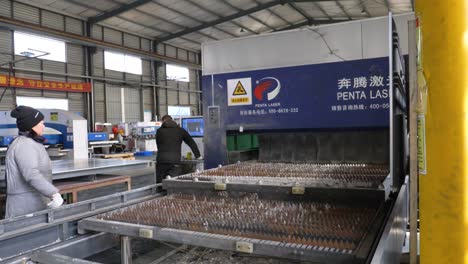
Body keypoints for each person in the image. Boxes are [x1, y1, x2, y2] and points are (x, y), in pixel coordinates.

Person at [4, 106, 63, 218]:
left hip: (33, 201)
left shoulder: (32, 142)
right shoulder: (25, 144)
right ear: (32, 125)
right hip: (24, 205)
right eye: (41, 123)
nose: (44, 126)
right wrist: (53, 193)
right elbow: (31, 174)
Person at [156, 115, 201, 183]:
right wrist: (198, 156)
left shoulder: (159, 131)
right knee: (173, 184)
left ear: (163, 121)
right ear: (172, 120)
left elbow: (159, 145)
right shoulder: (180, 130)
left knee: (160, 185)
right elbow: (191, 142)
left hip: (161, 161)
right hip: (174, 161)